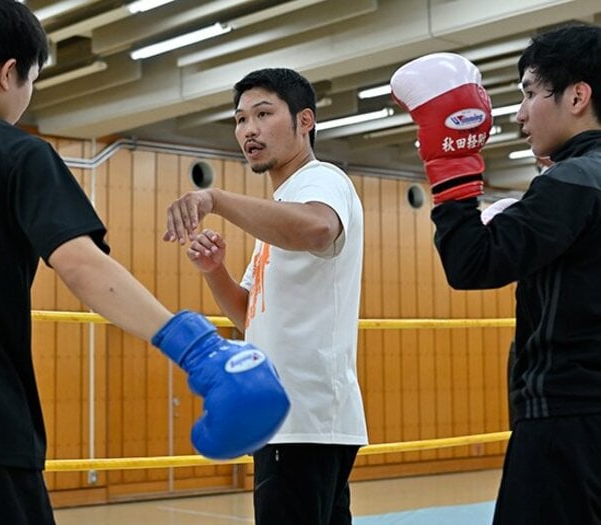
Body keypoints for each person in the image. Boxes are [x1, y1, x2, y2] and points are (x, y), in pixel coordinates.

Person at [0, 1, 290, 523]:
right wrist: (196, 350)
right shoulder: (16, 154)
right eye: (32, 79)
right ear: (9, 73)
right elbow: (81, 264)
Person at [390, 22, 601, 524]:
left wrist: (452, 166)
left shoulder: (573, 180)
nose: (520, 114)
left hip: (567, 417)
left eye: (529, 93)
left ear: (577, 96)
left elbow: (471, 263)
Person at [164, 67, 367, 525]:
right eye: (240, 119)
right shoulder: (280, 209)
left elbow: (318, 229)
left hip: (302, 415)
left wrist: (215, 199)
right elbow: (247, 316)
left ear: (305, 121)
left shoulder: (320, 180)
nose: (248, 130)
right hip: (293, 417)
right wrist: (214, 271)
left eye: (263, 114)